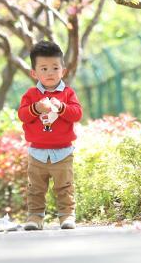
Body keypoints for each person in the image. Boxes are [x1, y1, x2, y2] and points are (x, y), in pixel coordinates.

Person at [18, 40, 83, 231]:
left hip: (63, 152)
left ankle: (67, 215)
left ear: (63, 70)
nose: (50, 73)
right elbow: (22, 115)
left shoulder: (68, 93)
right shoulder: (31, 95)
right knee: (36, 189)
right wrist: (36, 108)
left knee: (64, 187)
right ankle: (35, 217)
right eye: (44, 68)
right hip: (37, 153)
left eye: (55, 67)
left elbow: (77, 114)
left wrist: (61, 106)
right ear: (34, 73)